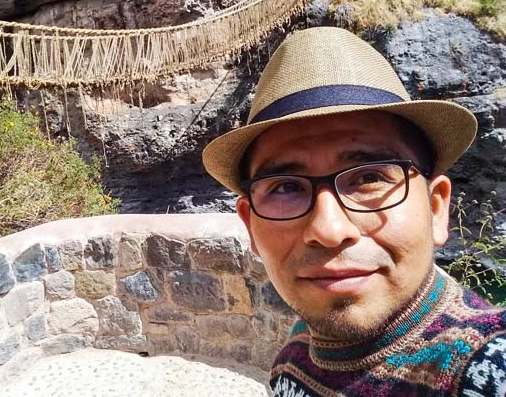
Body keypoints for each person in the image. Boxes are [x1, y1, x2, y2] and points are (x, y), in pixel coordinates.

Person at [202, 27, 506, 396]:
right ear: (250, 227)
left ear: (436, 207)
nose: (329, 229)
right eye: (286, 187)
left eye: (368, 178)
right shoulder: (298, 352)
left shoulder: (485, 366)